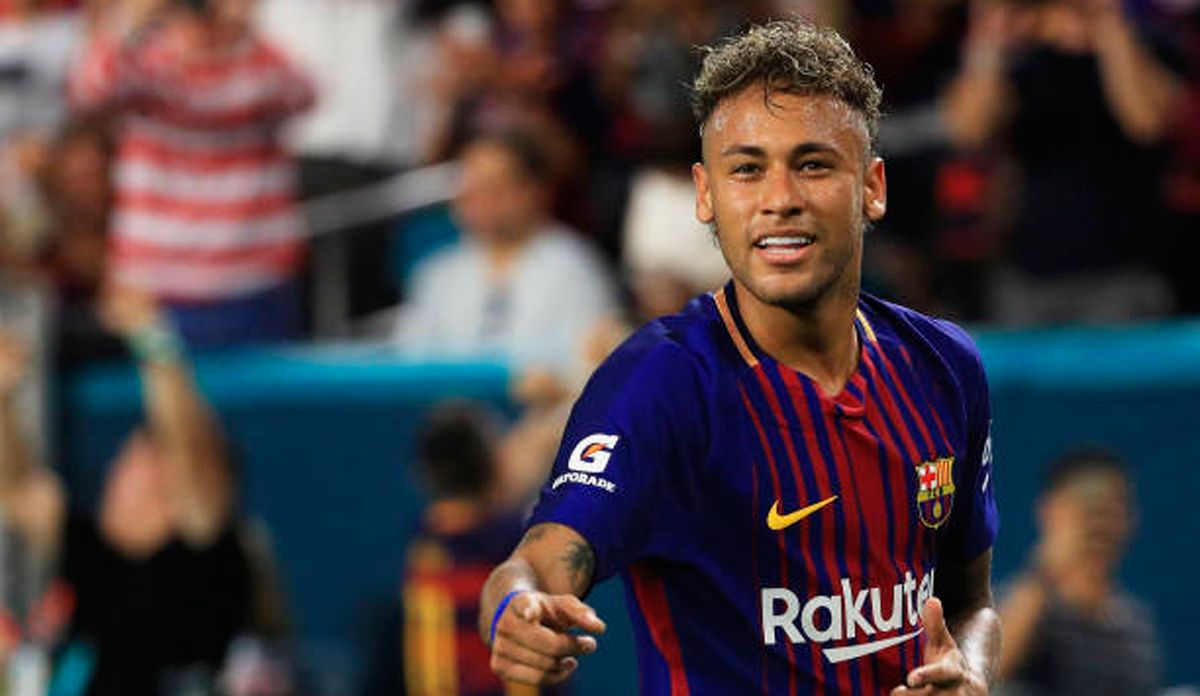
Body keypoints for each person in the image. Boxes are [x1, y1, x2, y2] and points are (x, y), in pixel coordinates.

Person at [479, 19, 1001, 694]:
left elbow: (971, 602)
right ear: (706, 194)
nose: (779, 200)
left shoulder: (943, 367)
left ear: (872, 187)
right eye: (748, 170)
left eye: (813, 165)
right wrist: (515, 615)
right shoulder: (661, 383)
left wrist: (971, 672)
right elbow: (535, 566)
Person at [0, 286, 255, 695]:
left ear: (170, 489)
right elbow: (17, 490)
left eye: (135, 463)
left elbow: (191, 452)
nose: (115, 472)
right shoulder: (86, 548)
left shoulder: (203, 564)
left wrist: (152, 340)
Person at [68, 0, 316, 347]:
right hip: (155, 287)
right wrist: (136, 19)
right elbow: (89, 89)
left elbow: (303, 94)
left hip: (254, 280)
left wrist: (240, 33)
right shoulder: (146, 62)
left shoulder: (260, 63)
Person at [394, 128, 617, 379]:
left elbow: (590, 369)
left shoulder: (575, 269)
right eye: (470, 185)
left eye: (494, 187)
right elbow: (409, 366)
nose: (478, 198)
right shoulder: (438, 273)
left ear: (534, 191)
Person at [996, 447, 1161, 696]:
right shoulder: (1014, 608)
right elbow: (983, 672)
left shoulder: (1136, 629)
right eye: (1088, 509)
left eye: (1113, 509)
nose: (1100, 524)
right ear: (1048, 511)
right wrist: (1045, 571)